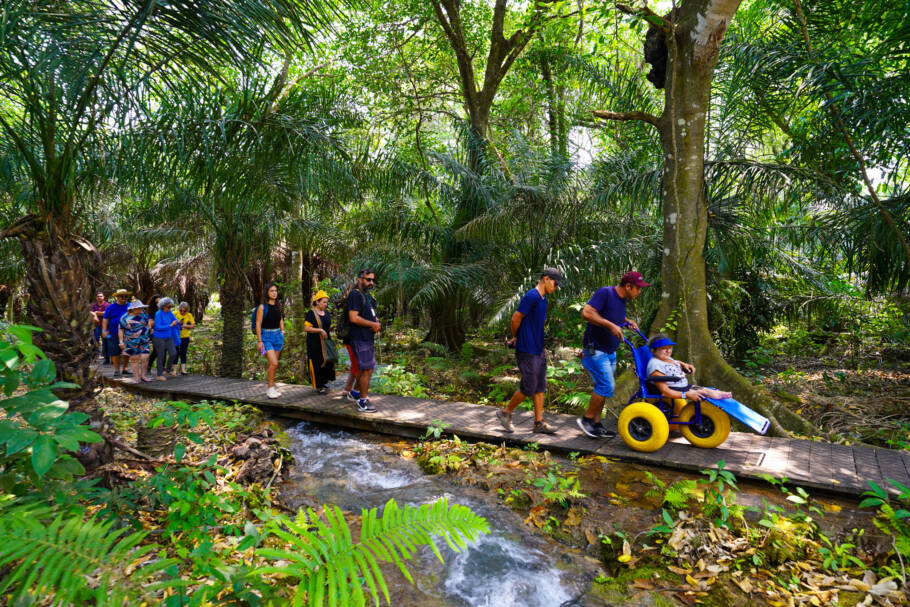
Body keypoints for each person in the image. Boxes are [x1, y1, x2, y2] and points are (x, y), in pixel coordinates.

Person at [576, 271, 650, 438]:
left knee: (602, 387)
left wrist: (626, 322)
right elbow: (587, 313)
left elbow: (612, 314)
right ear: (628, 286)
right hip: (594, 349)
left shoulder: (622, 299)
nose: (639, 292)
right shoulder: (605, 293)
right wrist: (610, 325)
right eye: (638, 289)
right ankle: (586, 420)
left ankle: (596, 424)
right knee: (606, 386)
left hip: (609, 351)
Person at [495, 268, 564, 435]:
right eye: (555, 284)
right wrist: (516, 336)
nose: (555, 288)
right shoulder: (531, 296)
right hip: (526, 349)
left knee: (540, 386)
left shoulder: (543, 300)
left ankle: (538, 423)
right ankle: (505, 412)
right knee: (529, 387)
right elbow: (515, 318)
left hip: (538, 350)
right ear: (546, 279)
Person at [646, 334, 732, 401]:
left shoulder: (666, 358)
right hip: (675, 389)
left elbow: (675, 362)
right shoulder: (655, 364)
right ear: (654, 351)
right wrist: (686, 395)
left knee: (709, 390)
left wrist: (684, 364)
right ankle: (715, 395)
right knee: (704, 393)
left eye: (670, 348)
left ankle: (717, 393)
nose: (668, 351)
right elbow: (665, 392)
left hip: (684, 386)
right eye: (663, 349)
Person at [341, 270, 380, 413]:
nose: (371, 283)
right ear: (360, 279)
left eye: (372, 280)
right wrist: (372, 324)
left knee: (368, 368)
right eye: (368, 279)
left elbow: (367, 316)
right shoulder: (355, 295)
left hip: (367, 338)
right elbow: (353, 318)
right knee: (366, 369)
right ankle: (362, 402)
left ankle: (355, 393)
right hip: (359, 338)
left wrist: (374, 322)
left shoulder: (366, 296)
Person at [255, 283, 285, 398]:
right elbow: (258, 323)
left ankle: (271, 387)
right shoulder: (262, 307)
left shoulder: (278, 306)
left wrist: (282, 332)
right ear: (267, 293)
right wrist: (259, 341)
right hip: (266, 337)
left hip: (277, 336)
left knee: (273, 365)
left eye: (276, 291)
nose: (274, 293)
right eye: (272, 291)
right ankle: (270, 388)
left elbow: (280, 319)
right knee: (274, 363)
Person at [304, 290, 336, 394]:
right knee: (317, 362)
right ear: (317, 302)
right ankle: (319, 385)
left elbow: (327, 325)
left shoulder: (326, 313)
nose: (326, 304)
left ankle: (325, 382)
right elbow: (306, 328)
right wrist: (320, 330)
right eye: (324, 302)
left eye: (326, 302)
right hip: (315, 343)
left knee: (327, 361)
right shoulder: (311, 313)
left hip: (326, 342)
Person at [119, 300, 153, 383]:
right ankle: (136, 378)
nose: (140, 309)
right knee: (134, 359)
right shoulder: (124, 317)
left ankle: (143, 376)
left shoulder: (144, 315)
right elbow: (120, 330)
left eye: (141, 308)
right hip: (131, 341)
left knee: (145, 357)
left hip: (144, 340)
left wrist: (150, 329)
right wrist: (121, 341)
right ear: (133, 309)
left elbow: (148, 324)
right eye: (138, 308)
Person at [101, 289, 132, 378]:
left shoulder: (130, 306)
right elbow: (105, 319)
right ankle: (117, 370)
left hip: (128, 333)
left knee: (127, 351)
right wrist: (104, 330)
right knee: (114, 351)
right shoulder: (111, 307)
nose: (124, 298)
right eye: (121, 296)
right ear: (117, 297)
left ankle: (125, 369)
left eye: (125, 296)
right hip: (113, 332)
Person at [152, 297, 179, 380]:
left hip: (168, 336)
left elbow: (175, 320)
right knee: (161, 355)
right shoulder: (158, 314)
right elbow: (157, 327)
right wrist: (170, 325)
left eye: (171, 307)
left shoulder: (170, 313)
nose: (170, 308)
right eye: (168, 307)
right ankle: (159, 375)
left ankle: (167, 370)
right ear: (163, 306)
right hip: (158, 337)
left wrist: (178, 322)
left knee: (173, 353)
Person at [174, 301, 195, 375]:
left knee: (183, 353)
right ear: (179, 309)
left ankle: (183, 370)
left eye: (184, 311)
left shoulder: (189, 315)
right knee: (175, 353)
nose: (182, 312)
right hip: (176, 337)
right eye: (181, 310)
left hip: (185, 337)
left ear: (187, 310)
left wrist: (185, 326)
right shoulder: (175, 313)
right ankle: (174, 370)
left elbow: (193, 326)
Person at [91, 291, 109, 363]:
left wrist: (97, 313)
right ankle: (95, 357)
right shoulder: (94, 305)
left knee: (105, 341)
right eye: (98, 296)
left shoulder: (107, 304)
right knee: (95, 341)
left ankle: (106, 358)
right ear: (96, 298)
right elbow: (91, 312)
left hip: (105, 326)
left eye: (101, 296)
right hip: (96, 326)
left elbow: (107, 313)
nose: (99, 297)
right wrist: (95, 314)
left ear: (103, 297)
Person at [146, 294, 161, 373]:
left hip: (164, 333)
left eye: (160, 302)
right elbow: (151, 324)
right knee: (157, 350)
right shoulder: (152, 313)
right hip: (154, 333)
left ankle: (159, 367)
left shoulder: (166, 311)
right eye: (156, 302)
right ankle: (149, 365)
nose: (158, 304)